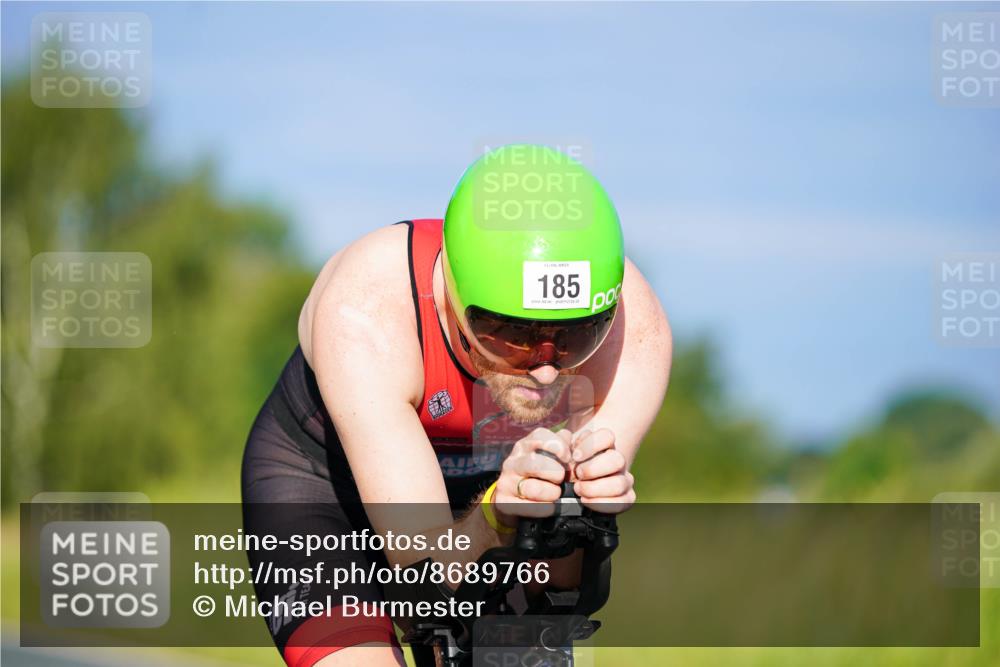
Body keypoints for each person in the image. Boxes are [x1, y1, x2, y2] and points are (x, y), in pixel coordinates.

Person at [241, 144, 672, 667]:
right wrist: (495, 513)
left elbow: (565, 587)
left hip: (496, 481)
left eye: (575, 336)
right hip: (327, 486)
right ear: (453, 297)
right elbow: (422, 571)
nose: (545, 369)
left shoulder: (634, 331)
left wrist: (580, 512)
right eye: (514, 335)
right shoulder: (367, 310)